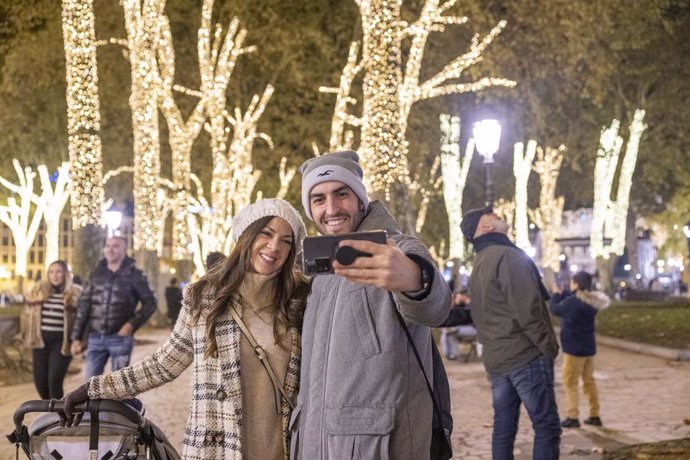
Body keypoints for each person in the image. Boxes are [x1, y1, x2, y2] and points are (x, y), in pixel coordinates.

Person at [62, 198, 310, 459]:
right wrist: (93, 388)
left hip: (283, 449)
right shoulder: (204, 297)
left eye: (286, 240)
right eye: (266, 233)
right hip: (215, 449)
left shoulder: (301, 300)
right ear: (246, 235)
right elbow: (163, 364)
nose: (274, 247)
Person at [292, 150, 451, 459]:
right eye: (319, 199)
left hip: (377, 448)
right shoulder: (319, 268)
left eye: (342, 194)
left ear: (361, 200)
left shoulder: (397, 247)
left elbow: (435, 306)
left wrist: (414, 278)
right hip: (315, 445)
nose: (331, 208)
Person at [461, 207, 561, 459]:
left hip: (497, 360)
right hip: (525, 356)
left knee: (504, 429)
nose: (498, 216)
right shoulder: (508, 255)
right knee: (546, 427)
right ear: (485, 228)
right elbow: (529, 308)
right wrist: (547, 346)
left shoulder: (480, 262)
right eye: (492, 216)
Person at [70, 236, 157, 378]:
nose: (110, 249)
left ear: (124, 250)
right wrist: (76, 338)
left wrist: (131, 324)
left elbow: (151, 303)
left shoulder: (135, 275)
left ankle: (123, 402)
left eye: (115, 246)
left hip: (120, 338)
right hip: (96, 337)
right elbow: (84, 305)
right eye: (108, 246)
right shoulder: (96, 274)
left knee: (119, 386)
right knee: (89, 385)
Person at [550, 271, 610, 428]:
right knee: (589, 382)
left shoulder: (573, 303)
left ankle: (572, 415)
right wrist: (564, 294)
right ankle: (594, 414)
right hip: (588, 348)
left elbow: (556, 309)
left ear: (576, 284)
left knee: (570, 382)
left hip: (573, 350)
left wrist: (556, 294)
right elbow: (569, 305)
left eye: (572, 282)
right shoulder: (590, 302)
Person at [21, 261, 83, 399]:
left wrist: (78, 340)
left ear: (65, 274)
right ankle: (51, 411)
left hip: (61, 343)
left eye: (59, 272)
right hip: (40, 342)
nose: (55, 275)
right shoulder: (38, 292)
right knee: (40, 382)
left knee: (54, 381)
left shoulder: (74, 293)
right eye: (51, 272)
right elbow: (26, 315)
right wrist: (25, 335)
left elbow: (82, 319)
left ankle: (58, 416)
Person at [439, 286, 475, 360]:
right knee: (447, 332)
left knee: (452, 331)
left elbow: (466, 318)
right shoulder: (460, 304)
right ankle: (450, 354)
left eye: (457, 295)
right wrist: (454, 303)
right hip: (464, 327)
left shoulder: (472, 304)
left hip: (474, 328)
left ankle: (453, 355)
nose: (456, 296)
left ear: (463, 295)